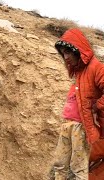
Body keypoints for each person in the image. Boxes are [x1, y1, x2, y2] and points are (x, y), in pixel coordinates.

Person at [50, 28, 104, 180]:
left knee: (78, 169)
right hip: (69, 125)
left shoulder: (96, 68)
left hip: (82, 128)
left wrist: (96, 106)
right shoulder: (79, 71)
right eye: (63, 53)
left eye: (68, 52)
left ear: (78, 50)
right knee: (60, 164)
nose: (65, 57)